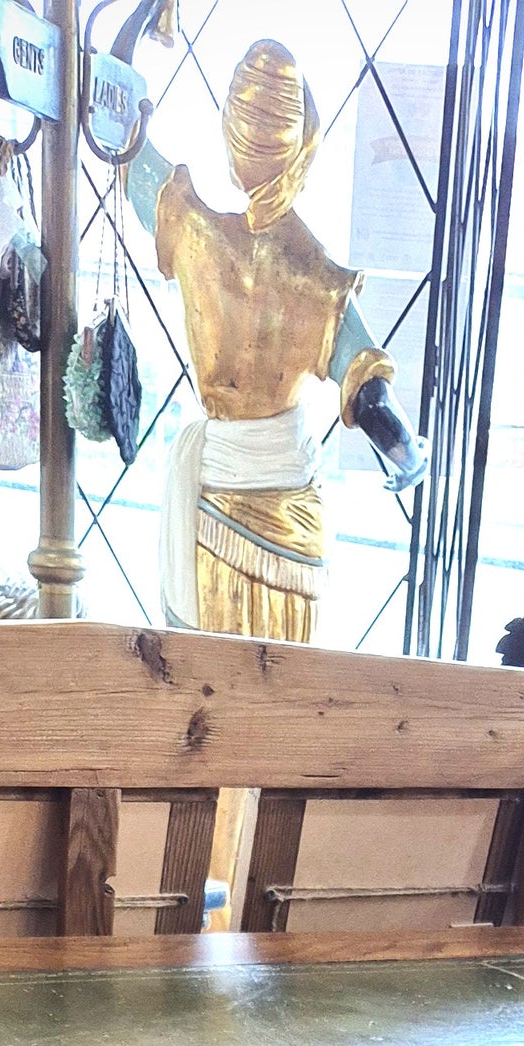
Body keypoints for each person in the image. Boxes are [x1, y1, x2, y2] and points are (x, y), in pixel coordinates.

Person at [126, 39, 427, 641]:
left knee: (208, 676)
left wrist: (117, 77)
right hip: (290, 522)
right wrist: (409, 456)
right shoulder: (317, 280)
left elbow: (135, 163)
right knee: (285, 681)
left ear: (231, 141)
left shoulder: (194, 234)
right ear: (303, 146)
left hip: (215, 506)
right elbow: (370, 395)